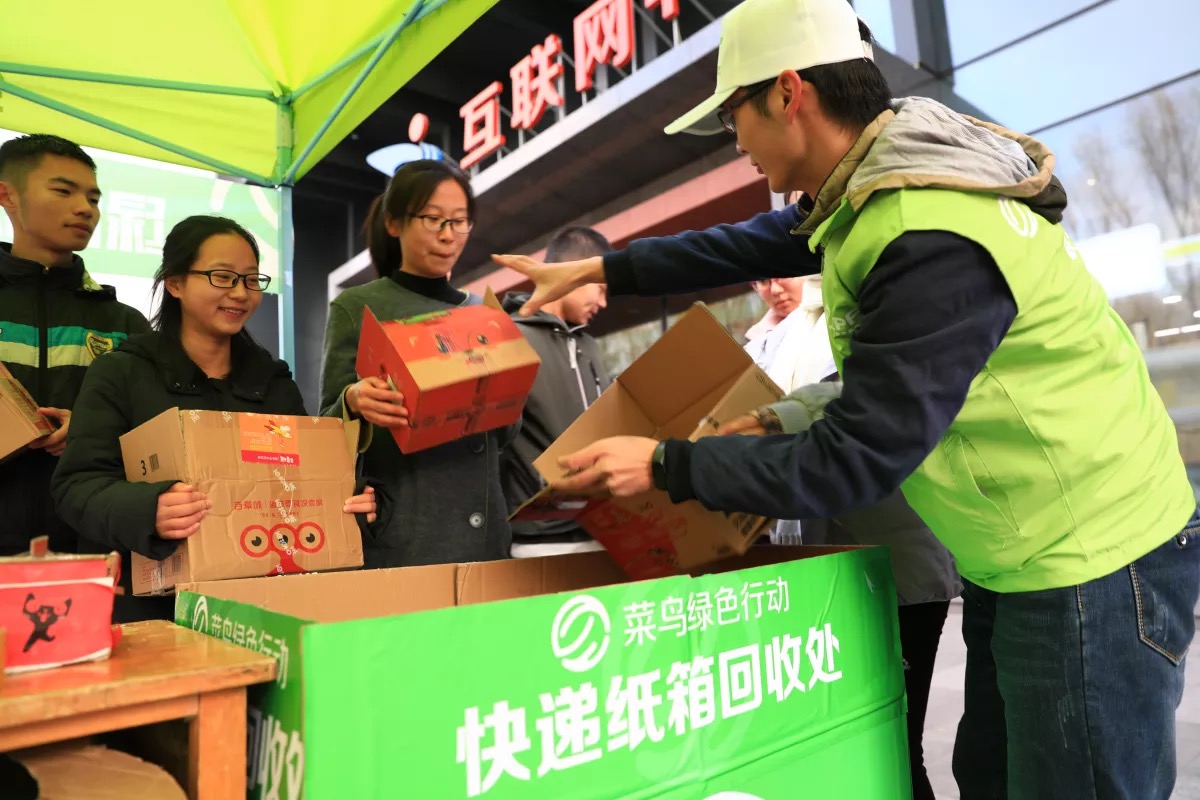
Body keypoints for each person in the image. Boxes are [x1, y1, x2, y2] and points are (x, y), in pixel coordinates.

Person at [492, 0, 1200, 797]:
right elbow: (745, 243)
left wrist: (665, 465)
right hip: (1023, 553)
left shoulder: (928, 233)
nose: (737, 143)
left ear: (788, 93)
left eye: (735, 117)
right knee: (994, 778)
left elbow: (859, 456)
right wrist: (601, 271)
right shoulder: (875, 180)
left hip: (1093, 559)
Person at [52, 216, 376, 622]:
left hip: (262, 610)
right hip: (155, 615)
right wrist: (148, 509)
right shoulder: (123, 373)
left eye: (252, 280)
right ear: (175, 283)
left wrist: (347, 500)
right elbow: (75, 488)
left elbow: (301, 479)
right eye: (223, 277)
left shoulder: (273, 383)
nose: (241, 293)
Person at [742, 272, 959, 800]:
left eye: (780, 273)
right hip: (821, 567)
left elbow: (847, 408)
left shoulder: (851, 311)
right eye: (759, 280)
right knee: (852, 740)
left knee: (895, 743)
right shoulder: (769, 338)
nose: (772, 288)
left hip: (894, 567)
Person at [320, 159, 511, 568]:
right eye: (432, 219)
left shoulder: (483, 313)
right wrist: (353, 401)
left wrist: (510, 385)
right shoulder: (359, 307)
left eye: (460, 222)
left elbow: (506, 434)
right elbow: (325, 430)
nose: (448, 236)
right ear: (394, 223)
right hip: (409, 534)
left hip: (487, 533)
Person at [0, 133, 151, 556]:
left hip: (88, 547)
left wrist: (90, 432)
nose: (85, 208)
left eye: (93, 197)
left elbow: (155, 436)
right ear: (7, 195)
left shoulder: (124, 323)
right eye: (63, 191)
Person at [502, 226, 612, 558]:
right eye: (601, 289)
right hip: (538, 540)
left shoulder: (589, 346)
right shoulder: (509, 338)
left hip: (604, 532)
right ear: (571, 274)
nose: (604, 303)